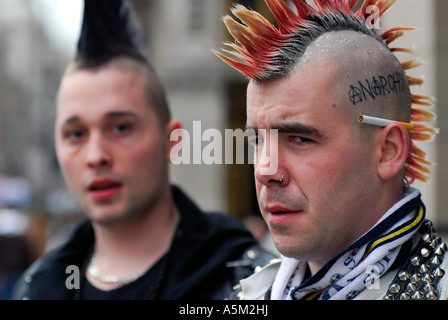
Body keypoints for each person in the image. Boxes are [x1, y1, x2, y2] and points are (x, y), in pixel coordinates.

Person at [12, 0, 274, 300]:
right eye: (75, 134)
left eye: (121, 127)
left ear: (172, 141)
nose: (96, 155)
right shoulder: (39, 288)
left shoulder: (249, 285)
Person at [215, 0, 448, 300]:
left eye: (299, 138)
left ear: (388, 151)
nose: (264, 170)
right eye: (257, 140)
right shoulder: (248, 293)